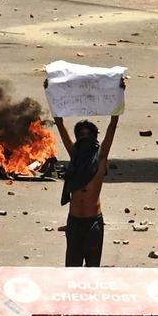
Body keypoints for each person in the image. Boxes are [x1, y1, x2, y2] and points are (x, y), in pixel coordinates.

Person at [49, 84, 122, 267]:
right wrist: (51, 93)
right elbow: (60, 124)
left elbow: (113, 125)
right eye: (81, 135)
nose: (85, 138)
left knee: (92, 271)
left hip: (93, 223)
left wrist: (118, 94)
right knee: (71, 270)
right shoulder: (75, 156)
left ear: (95, 138)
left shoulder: (100, 157)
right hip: (74, 223)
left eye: (89, 135)